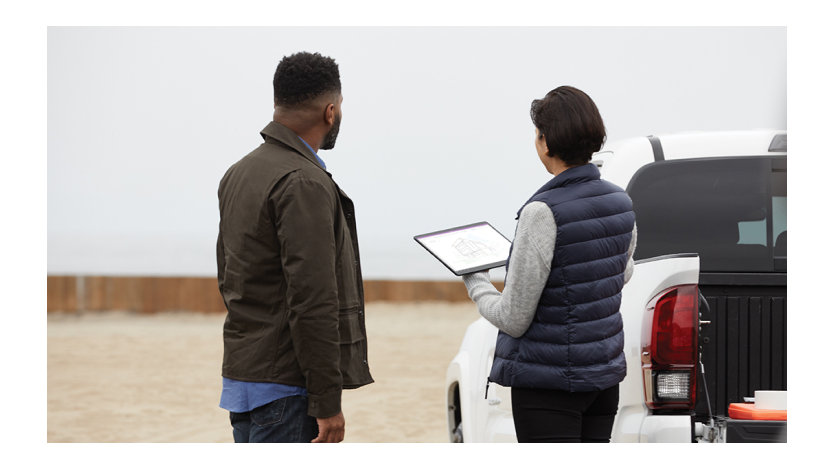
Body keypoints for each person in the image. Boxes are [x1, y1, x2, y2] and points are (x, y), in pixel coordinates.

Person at [463, 86, 637, 443]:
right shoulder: (621, 202)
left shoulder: (541, 212)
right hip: (602, 382)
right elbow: (624, 271)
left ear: (544, 142)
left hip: (548, 387)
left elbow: (513, 317)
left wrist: (476, 280)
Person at [216, 52, 372, 443]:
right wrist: (326, 401)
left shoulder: (238, 173)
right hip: (289, 390)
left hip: (244, 380)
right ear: (330, 111)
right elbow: (312, 299)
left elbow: (228, 277)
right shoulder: (303, 182)